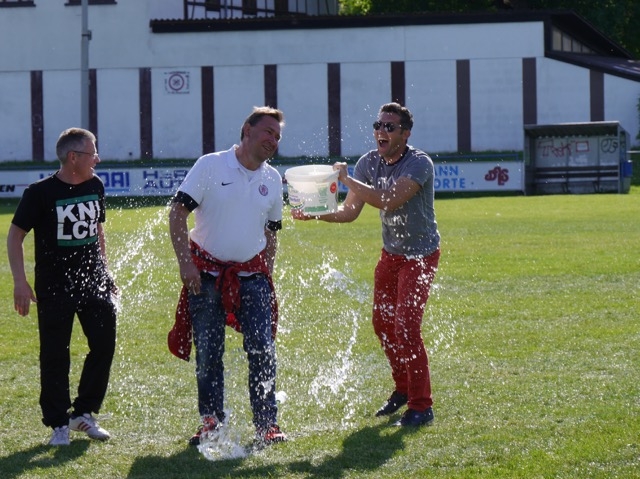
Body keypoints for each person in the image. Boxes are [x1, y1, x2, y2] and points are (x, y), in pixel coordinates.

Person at [292, 102, 440, 427]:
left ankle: (421, 406)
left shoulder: (419, 163)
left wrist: (346, 179)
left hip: (420, 256)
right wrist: (315, 213)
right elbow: (349, 212)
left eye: (389, 127)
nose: (381, 131)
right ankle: (403, 388)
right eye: (378, 125)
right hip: (392, 255)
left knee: (406, 328)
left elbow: (389, 200)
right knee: (382, 324)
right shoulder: (368, 163)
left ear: (405, 134)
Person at [168, 106, 287, 447]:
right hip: (205, 274)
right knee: (208, 352)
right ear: (247, 130)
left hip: (253, 275)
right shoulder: (211, 165)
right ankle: (212, 424)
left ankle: (267, 424)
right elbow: (177, 213)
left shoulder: (272, 178)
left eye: (278, 136)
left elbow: (271, 232)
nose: (273, 140)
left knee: (263, 349)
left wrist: (267, 274)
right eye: (268, 132)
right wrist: (186, 264)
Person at [7, 128, 118, 446]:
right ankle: (58, 423)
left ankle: (83, 413)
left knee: (104, 346)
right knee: (55, 354)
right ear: (73, 157)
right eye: (92, 153)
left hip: (94, 281)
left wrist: (106, 271)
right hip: (54, 286)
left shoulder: (95, 185)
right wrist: (20, 282)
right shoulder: (39, 193)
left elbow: (97, 230)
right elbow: (15, 236)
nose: (97, 159)